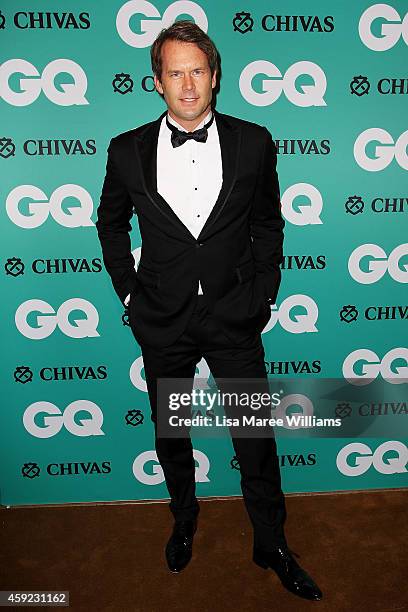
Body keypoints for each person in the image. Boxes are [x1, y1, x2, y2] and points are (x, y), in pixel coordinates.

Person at [96, 20, 322, 601]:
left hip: (234, 317)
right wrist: (129, 293)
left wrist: (264, 294)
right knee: (172, 430)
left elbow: (268, 223)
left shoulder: (254, 141)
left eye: (197, 70)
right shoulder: (127, 150)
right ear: (157, 82)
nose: (188, 84)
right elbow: (110, 225)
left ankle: (270, 542)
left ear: (215, 77)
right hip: (163, 320)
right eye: (175, 72)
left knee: (254, 435)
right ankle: (183, 519)